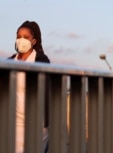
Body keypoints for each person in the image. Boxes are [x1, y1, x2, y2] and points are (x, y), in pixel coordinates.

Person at [8, 20, 50, 153]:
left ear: (34, 41)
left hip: (36, 122)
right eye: (18, 37)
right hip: (13, 121)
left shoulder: (41, 61)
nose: (21, 40)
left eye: (26, 37)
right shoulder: (9, 62)